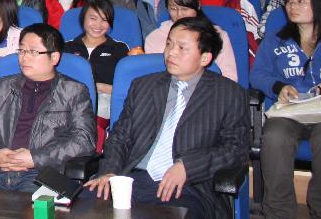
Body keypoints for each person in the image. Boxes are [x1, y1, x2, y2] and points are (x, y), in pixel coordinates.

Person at [85, 16, 250, 219]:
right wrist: (110, 172)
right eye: (169, 44)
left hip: (188, 188)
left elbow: (236, 150)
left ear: (205, 58)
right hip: (131, 180)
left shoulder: (229, 94)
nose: (171, 52)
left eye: (182, 48)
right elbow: (120, 137)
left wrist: (188, 167)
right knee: (78, 207)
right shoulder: (143, 86)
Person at [250, 0, 321, 218]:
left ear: (319, 4)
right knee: (275, 136)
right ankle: (278, 212)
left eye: (300, 1)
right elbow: (257, 75)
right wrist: (279, 86)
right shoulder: (275, 40)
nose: (292, 6)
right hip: (289, 112)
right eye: (290, 1)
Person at [0, 23, 96, 191]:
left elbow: (84, 139)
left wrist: (35, 158)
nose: (24, 57)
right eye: (21, 50)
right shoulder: (3, 87)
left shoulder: (74, 91)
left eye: (33, 52)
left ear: (54, 57)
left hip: (43, 173)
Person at [63, 0, 130, 148]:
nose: (98, 25)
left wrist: (98, 87)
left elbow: (125, 89)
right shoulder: (67, 48)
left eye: (104, 20)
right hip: (69, 99)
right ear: (83, 19)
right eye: (93, 18)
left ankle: (96, 147)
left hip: (104, 100)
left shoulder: (120, 49)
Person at [143, 0, 238, 82]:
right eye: (173, 8)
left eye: (184, 9)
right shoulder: (154, 38)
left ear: (198, 5)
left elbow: (229, 77)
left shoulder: (217, 35)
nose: (179, 14)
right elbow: (154, 78)